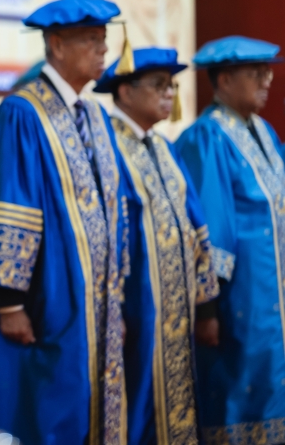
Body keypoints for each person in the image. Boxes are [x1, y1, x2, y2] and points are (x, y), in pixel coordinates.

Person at [0, 0, 132, 445]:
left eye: (104, 39)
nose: (103, 49)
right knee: (42, 411)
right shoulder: (22, 114)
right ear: (57, 44)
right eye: (91, 39)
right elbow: (5, 208)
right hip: (41, 302)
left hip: (91, 300)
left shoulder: (95, 115)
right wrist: (9, 304)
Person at [94, 47, 219, 445]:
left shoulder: (164, 148)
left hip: (175, 306)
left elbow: (196, 225)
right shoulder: (106, 147)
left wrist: (205, 305)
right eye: (159, 85)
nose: (169, 93)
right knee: (136, 398)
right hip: (133, 305)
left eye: (172, 85)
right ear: (126, 92)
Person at [174, 36, 285, 444]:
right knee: (237, 391)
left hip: (272, 297)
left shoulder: (264, 131)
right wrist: (207, 309)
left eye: (268, 71)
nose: (267, 79)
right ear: (223, 80)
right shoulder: (207, 137)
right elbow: (210, 231)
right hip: (237, 301)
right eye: (256, 72)